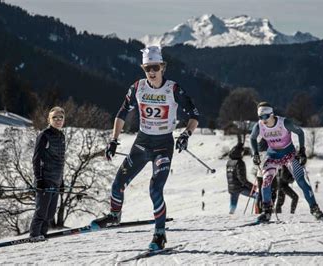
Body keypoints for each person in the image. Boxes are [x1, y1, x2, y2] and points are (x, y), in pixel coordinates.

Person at [90, 46, 199, 251]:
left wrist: (186, 134)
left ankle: (160, 235)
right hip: (141, 143)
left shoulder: (173, 89)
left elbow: (194, 115)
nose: (151, 71)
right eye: (147, 68)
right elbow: (121, 113)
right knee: (118, 183)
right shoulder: (137, 87)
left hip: (163, 146)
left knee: (155, 189)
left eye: (155, 67)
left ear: (163, 67)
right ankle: (114, 215)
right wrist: (113, 140)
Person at [250, 102, 323, 222]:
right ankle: (267, 212)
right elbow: (252, 138)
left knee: (301, 181)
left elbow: (300, 132)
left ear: (271, 114)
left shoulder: (284, 123)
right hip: (272, 155)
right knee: (266, 181)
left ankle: (315, 209)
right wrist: (255, 154)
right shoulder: (259, 126)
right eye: (260, 117)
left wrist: (302, 151)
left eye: (265, 117)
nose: (263, 120)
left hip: (289, 155)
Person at [29, 106, 66, 241]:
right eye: (54, 118)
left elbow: (60, 161)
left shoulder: (61, 136)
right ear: (49, 119)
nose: (58, 120)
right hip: (45, 179)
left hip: (56, 180)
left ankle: (42, 235)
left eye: (60, 118)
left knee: (50, 214)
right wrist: (39, 179)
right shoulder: (44, 135)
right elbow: (36, 159)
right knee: (41, 212)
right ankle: (34, 235)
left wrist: (61, 182)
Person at [226, 142, 256, 214]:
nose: (243, 154)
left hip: (232, 187)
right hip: (240, 187)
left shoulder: (229, 162)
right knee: (257, 195)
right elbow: (241, 178)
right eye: (242, 152)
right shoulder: (239, 163)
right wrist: (252, 186)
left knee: (233, 205)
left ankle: (230, 215)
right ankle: (259, 211)